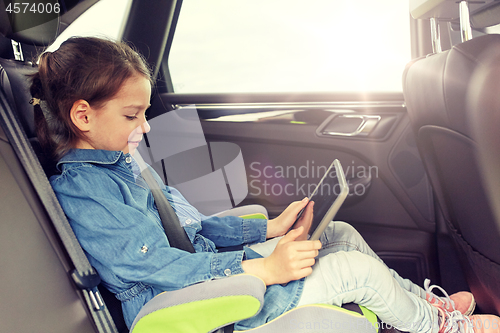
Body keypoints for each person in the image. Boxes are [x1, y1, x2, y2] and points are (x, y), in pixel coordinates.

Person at [31, 36, 499, 333]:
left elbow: (190, 230)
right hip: (190, 304)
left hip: (205, 268)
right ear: (82, 115)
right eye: (133, 116)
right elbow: (157, 269)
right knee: (354, 272)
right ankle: (444, 330)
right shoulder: (84, 192)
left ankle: (420, 307)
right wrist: (262, 270)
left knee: (341, 235)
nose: (146, 127)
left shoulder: (121, 163)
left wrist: (269, 229)